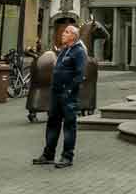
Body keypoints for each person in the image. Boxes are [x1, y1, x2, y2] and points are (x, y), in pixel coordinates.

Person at [32, 23, 87, 169]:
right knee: (52, 124)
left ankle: (67, 156)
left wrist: (69, 90)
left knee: (69, 126)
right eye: (64, 31)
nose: (63, 33)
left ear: (74, 37)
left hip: (68, 95)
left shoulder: (78, 52)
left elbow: (80, 75)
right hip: (56, 93)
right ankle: (48, 154)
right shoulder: (65, 50)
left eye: (67, 32)